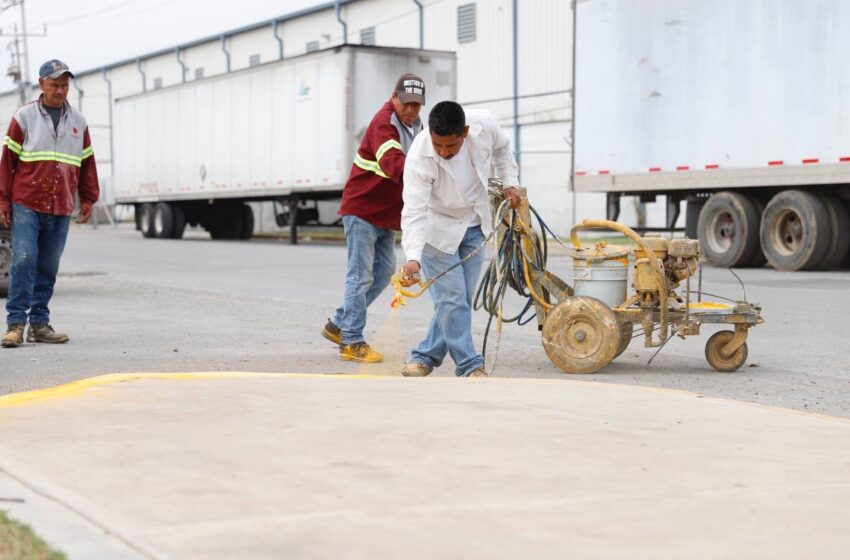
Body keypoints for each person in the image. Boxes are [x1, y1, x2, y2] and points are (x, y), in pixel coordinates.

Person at [398, 101, 520, 377]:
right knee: (452, 299)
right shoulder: (419, 158)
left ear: (464, 133)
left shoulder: (485, 125)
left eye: (449, 147)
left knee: (457, 300)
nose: (442, 152)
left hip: (475, 224)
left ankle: (423, 356)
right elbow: (414, 211)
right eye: (437, 145)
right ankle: (469, 365)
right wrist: (413, 258)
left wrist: (510, 181)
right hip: (436, 229)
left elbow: (503, 149)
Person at [321, 74, 426, 363]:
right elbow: (394, 164)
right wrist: (431, 175)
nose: (411, 109)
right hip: (362, 211)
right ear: (394, 98)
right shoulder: (384, 123)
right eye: (406, 103)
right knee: (360, 276)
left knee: (381, 274)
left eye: (417, 105)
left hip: (385, 215)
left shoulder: (418, 127)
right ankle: (351, 341)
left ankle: (338, 324)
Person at [0, 59, 99, 348]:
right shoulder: (24, 117)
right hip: (27, 202)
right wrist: (3, 201)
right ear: (42, 84)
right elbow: (8, 163)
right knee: (23, 259)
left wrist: (89, 197)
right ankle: (16, 324)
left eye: (65, 85)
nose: (60, 90)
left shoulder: (78, 122)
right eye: (55, 84)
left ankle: (40, 324)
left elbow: (86, 162)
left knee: (48, 265)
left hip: (61, 204)